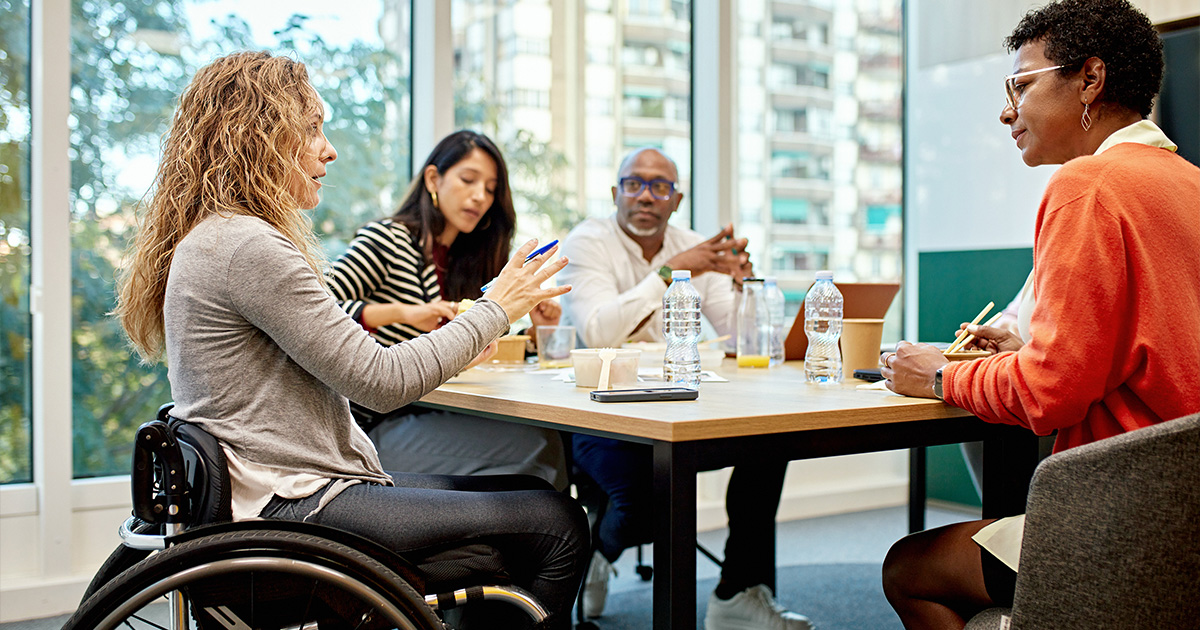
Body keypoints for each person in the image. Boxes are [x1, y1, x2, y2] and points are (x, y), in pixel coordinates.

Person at [113, 51, 589, 629]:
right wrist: (496, 307)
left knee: (526, 491)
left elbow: (356, 362)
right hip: (292, 504)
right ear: (257, 135)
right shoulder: (248, 247)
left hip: (279, 490)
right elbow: (382, 383)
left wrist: (470, 332)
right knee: (556, 521)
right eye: (312, 128)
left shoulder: (219, 239)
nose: (328, 148)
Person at [878, 1, 1200, 627]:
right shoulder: (1189, 183)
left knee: (907, 568)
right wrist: (1019, 354)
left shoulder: (1088, 184)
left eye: (1021, 86)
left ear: (1089, 79)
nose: (1007, 110)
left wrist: (937, 376)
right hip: (1185, 515)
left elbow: (1051, 393)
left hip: (1119, 521)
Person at [558, 147, 813, 630]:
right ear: (615, 193)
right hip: (599, 412)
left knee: (770, 441)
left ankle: (734, 593)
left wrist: (743, 287)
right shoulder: (589, 241)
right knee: (646, 508)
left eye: (660, 186)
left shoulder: (696, 244)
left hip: (682, 408)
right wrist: (671, 271)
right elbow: (598, 332)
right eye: (634, 183)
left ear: (676, 199)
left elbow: (741, 342)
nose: (646, 195)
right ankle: (597, 551)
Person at [327, 130, 567, 489]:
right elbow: (319, 310)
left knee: (544, 438)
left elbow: (486, 345)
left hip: (435, 410)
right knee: (537, 448)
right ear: (433, 179)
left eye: (490, 189)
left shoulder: (471, 261)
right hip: (367, 425)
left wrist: (535, 330)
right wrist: (404, 313)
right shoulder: (388, 239)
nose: (479, 197)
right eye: (469, 180)